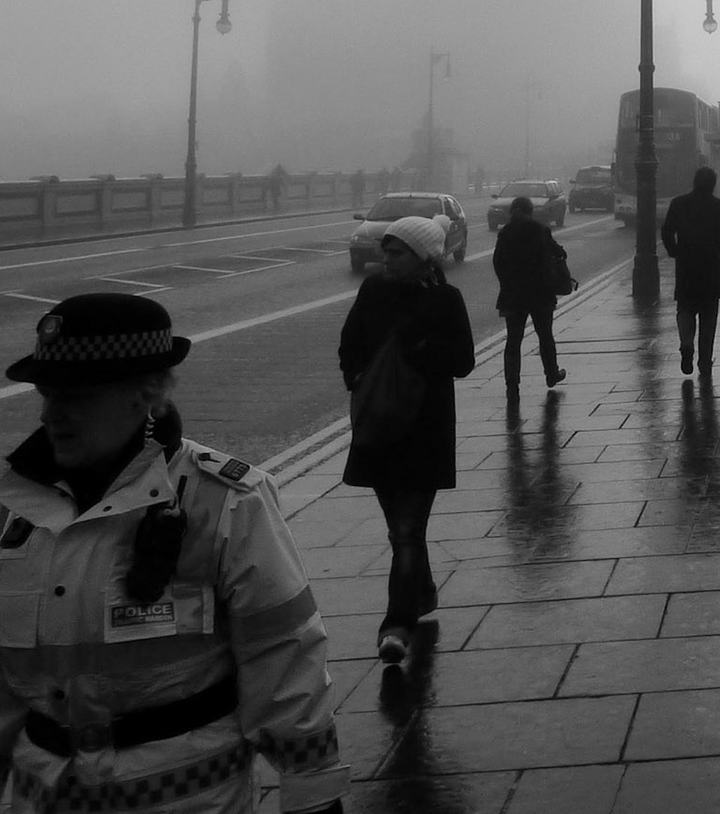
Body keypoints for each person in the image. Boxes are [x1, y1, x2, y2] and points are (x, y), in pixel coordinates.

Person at [0, 293, 350, 814]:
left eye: (78, 397)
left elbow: (284, 657)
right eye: (48, 394)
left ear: (148, 394)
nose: (52, 414)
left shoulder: (225, 500)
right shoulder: (11, 511)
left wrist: (315, 797)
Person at [337, 215, 475, 665]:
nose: (386, 259)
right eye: (386, 250)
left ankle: (396, 625)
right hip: (378, 427)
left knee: (406, 530)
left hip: (424, 429)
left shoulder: (446, 300)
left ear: (423, 256)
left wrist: (417, 346)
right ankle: (425, 589)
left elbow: (463, 361)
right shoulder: (373, 291)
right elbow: (349, 342)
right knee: (402, 529)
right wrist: (356, 376)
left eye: (397, 252)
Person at [659, 166, 720, 382]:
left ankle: (686, 344)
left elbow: (666, 231)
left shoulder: (679, 203)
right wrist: (713, 244)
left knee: (685, 308)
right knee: (709, 317)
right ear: (713, 184)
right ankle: (705, 362)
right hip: (710, 269)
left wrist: (675, 251)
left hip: (686, 267)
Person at [493, 195, 567, 396]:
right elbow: (559, 253)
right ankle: (551, 374)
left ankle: (512, 385)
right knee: (545, 336)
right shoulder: (540, 230)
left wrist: (507, 283)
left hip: (513, 294)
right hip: (540, 293)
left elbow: (498, 262)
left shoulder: (505, 233)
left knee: (513, 341)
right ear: (530, 211)